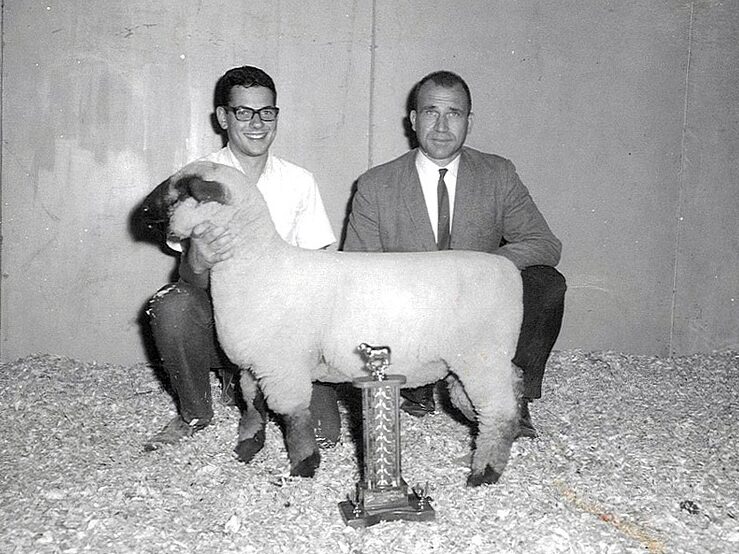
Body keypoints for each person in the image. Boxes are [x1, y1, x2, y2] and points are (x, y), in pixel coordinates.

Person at [340, 70, 566, 437]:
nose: (442, 126)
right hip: (409, 314)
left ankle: (511, 396)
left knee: (546, 283)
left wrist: (484, 268)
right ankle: (415, 384)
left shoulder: (498, 174)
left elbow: (545, 243)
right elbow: (355, 271)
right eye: (431, 112)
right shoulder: (376, 184)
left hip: (478, 309)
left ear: (469, 122)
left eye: (454, 114)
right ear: (413, 120)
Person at [143, 65, 336, 450]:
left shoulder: (299, 181)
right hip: (220, 317)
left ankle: (250, 386)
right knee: (171, 306)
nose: (257, 123)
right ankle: (195, 411)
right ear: (223, 117)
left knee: (324, 436)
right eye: (243, 112)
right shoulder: (199, 179)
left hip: (285, 327)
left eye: (267, 112)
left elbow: (321, 269)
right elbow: (190, 277)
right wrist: (199, 257)